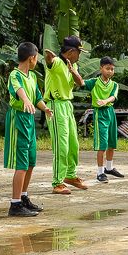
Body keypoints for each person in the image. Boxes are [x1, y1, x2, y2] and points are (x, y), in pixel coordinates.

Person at [5, 42, 53, 217]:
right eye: (37, 57)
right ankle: (15, 203)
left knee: (31, 161)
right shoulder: (14, 74)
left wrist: (45, 108)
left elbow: (37, 98)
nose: (37, 60)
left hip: (29, 120)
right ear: (32, 58)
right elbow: (19, 90)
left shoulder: (32, 76)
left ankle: (23, 197)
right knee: (22, 163)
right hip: (18, 119)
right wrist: (25, 100)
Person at [45, 36, 87, 195]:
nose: (80, 55)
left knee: (73, 143)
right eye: (78, 52)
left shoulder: (73, 64)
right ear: (70, 52)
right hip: (55, 105)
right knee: (61, 145)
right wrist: (51, 56)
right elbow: (48, 58)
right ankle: (57, 181)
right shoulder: (56, 62)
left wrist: (73, 71)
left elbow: (80, 83)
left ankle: (70, 175)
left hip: (67, 104)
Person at [83, 57, 123, 184]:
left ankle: (109, 168)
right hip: (99, 114)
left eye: (112, 69)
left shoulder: (114, 84)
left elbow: (113, 97)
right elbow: (81, 83)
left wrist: (105, 101)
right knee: (102, 145)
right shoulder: (94, 82)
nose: (110, 71)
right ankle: (100, 172)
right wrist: (73, 71)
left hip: (110, 112)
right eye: (107, 68)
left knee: (112, 142)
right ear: (101, 68)